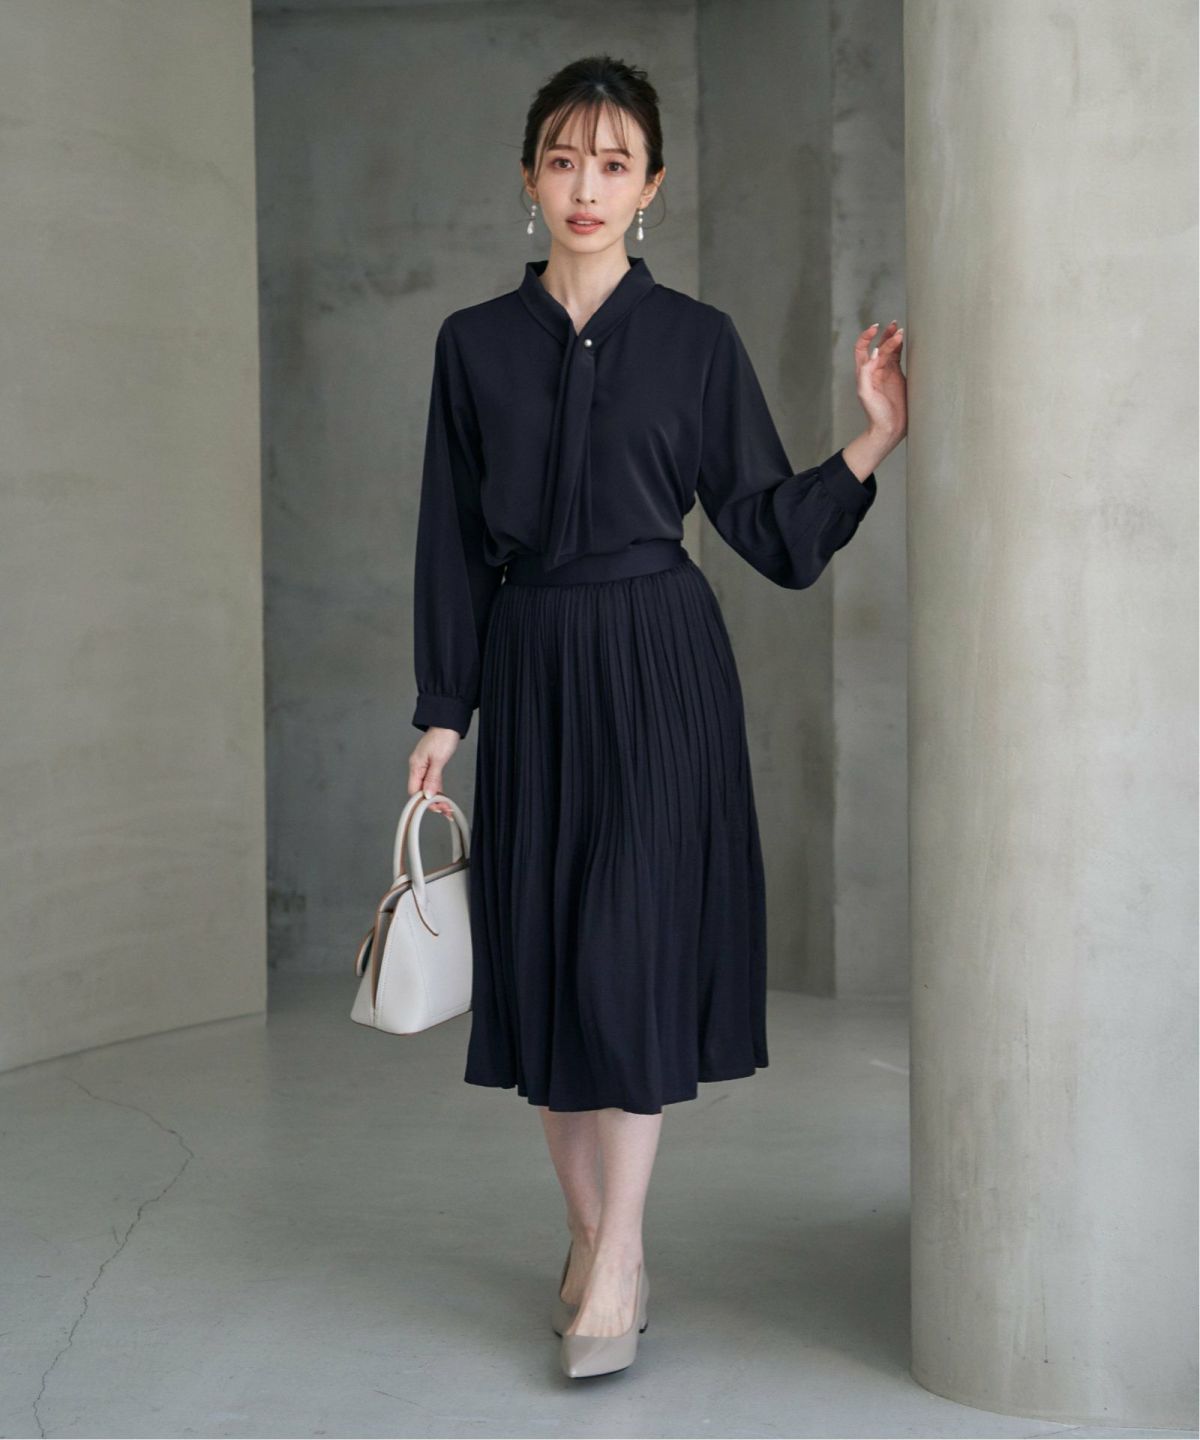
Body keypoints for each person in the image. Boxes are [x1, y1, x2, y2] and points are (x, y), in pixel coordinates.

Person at [406, 54, 907, 1378]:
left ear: (652, 188)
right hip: (534, 670)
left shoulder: (696, 341)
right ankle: (588, 1239)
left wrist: (869, 440)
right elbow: (451, 543)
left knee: (625, 959)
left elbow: (767, 530)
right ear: (529, 179)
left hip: (658, 668)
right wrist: (443, 711)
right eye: (564, 159)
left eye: (614, 163)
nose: (587, 185)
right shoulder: (472, 346)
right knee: (551, 969)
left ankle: (621, 1253)